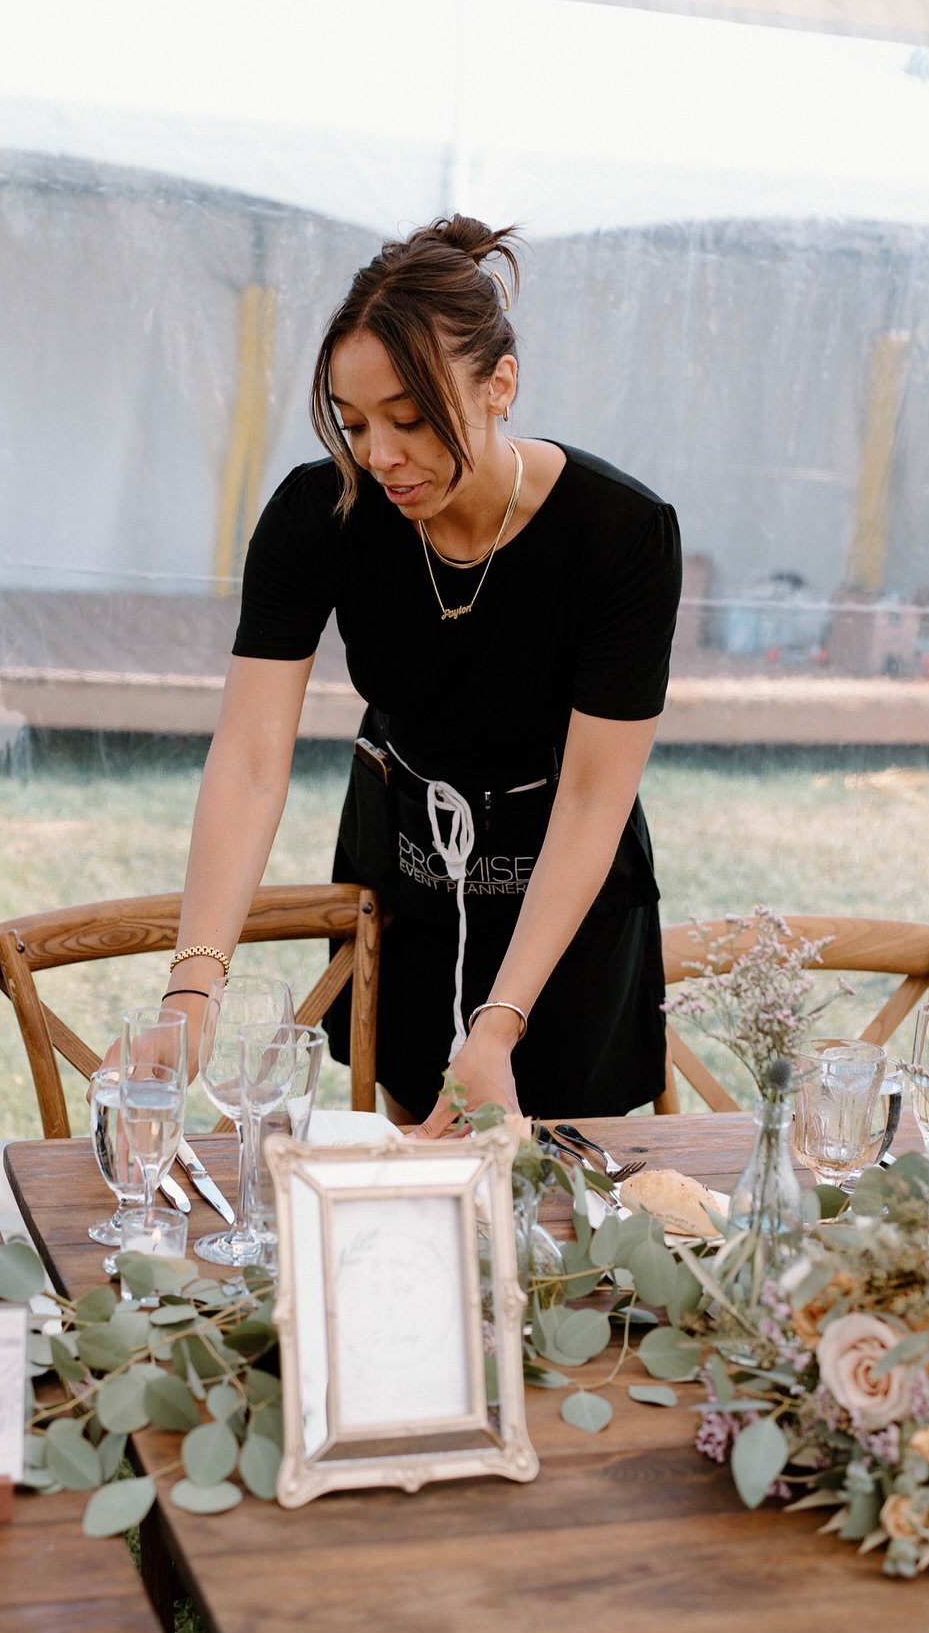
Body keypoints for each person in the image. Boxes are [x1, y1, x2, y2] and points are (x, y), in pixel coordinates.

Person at [161, 216, 681, 1135]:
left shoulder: (621, 536)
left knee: (566, 1206)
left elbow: (596, 797)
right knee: (413, 1169)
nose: (379, 455)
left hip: (564, 901)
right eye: (354, 422)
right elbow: (248, 757)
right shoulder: (318, 516)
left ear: (501, 385)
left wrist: (499, 1024)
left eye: (408, 419)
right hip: (407, 871)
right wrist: (193, 985)